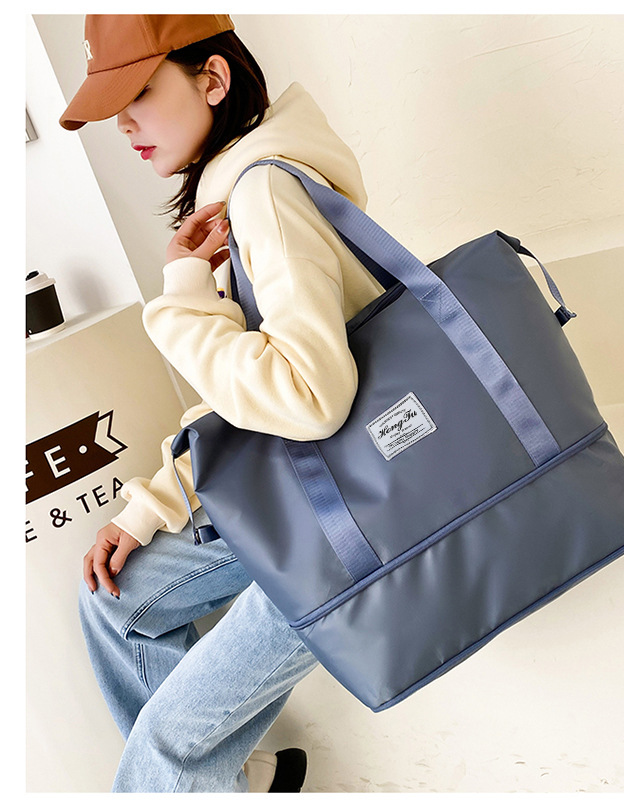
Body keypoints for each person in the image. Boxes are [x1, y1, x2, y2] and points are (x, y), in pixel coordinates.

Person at [60, 14, 384, 793]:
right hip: (303, 488)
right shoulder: (238, 195)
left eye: (139, 94)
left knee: (165, 749)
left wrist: (180, 301)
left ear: (212, 78)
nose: (124, 125)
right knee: (115, 599)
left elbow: (309, 400)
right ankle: (238, 784)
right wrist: (151, 507)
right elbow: (243, 399)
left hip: (353, 517)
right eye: (114, 107)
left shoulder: (265, 193)